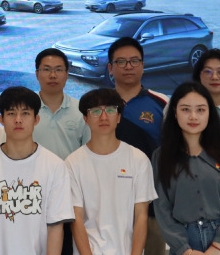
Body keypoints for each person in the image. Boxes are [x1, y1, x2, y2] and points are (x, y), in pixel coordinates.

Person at [0, 86, 74, 255]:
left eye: (25, 113)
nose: (18, 120)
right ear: (1, 119)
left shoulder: (55, 166)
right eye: (11, 113)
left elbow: (55, 227)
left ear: (36, 119)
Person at [152, 82, 220, 255]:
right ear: (175, 112)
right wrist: (185, 250)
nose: (193, 116)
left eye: (201, 110)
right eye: (185, 109)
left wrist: (218, 245)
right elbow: (162, 207)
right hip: (184, 243)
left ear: (210, 113)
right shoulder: (161, 156)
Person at [65, 88, 157, 255]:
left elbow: (141, 216)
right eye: (95, 111)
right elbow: (76, 219)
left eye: (110, 110)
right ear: (85, 119)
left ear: (119, 117)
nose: (103, 117)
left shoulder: (138, 159)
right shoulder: (73, 163)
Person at [107, 37, 169, 255]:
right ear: (110, 68)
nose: (128, 66)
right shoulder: (98, 104)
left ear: (142, 65)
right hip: (108, 202)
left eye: (134, 61)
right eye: (121, 62)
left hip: (152, 200)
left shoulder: (162, 103)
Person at [33, 48, 90, 161]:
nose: (53, 75)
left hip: (70, 172)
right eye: (47, 69)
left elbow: (89, 152)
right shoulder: (25, 110)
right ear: (37, 74)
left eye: (58, 70)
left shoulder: (81, 110)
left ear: (67, 74)